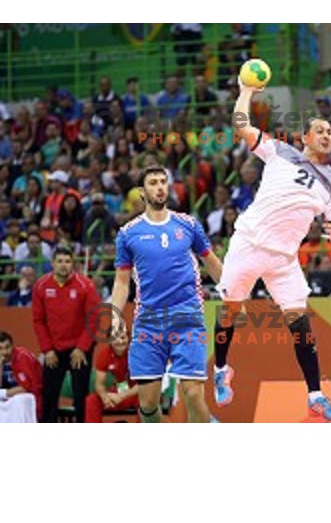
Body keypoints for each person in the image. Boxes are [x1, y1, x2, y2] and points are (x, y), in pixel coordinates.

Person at [213, 78, 331, 422]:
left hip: (284, 259)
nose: (326, 135)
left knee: (300, 324)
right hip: (249, 243)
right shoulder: (278, 150)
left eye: (330, 132)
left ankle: (315, 395)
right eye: (320, 131)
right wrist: (245, 91)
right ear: (305, 137)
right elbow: (241, 125)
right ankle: (221, 369)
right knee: (230, 312)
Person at [111, 165, 223, 423]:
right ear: (142, 191)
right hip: (148, 321)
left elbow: (212, 263)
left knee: (193, 394)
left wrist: (234, 294)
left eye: (163, 181)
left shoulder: (188, 224)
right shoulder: (128, 233)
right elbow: (121, 282)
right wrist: (116, 318)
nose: (160, 187)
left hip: (187, 315)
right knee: (148, 403)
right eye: (153, 182)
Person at [32, 245, 99, 423]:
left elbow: (93, 320)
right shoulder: (41, 286)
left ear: (73, 264)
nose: (64, 265)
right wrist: (47, 350)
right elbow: (39, 321)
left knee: (80, 397)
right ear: (52, 263)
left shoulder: (86, 286)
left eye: (68, 261)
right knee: (49, 397)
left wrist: (81, 348)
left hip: (80, 350)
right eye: (60, 261)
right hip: (53, 350)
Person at [85, 331, 139, 423]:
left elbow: (143, 385)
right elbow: (99, 384)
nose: (120, 341)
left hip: (134, 393)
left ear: (128, 339)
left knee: (147, 400)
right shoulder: (104, 354)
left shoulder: (137, 353)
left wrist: (121, 396)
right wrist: (105, 398)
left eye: (123, 337)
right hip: (117, 392)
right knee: (92, 400)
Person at [0, 331, 43, 423]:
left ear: (12, 345)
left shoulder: (22, 357)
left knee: (20, 401)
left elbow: (28, 387)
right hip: (10, 396)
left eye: (7, 347)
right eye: (0, 349)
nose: (5, 352)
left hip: (31, 397)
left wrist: (4, 393)